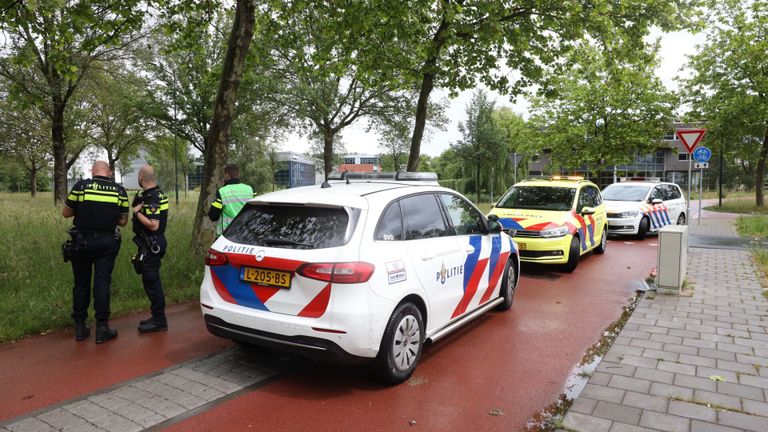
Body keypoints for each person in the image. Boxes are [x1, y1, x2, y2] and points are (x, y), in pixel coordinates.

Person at [62, 161, 128, 344]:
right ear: (110, 172)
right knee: (102, 283)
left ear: (92, 171)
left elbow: (66, 213)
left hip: (81, 242)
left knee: (81, 283)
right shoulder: (119, 191)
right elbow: (123, 221)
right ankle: (101, 328)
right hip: (107, 243)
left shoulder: (81, 187)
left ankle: (80, 328)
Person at [132, 165, 169, 333]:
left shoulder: (152, 197)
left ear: (141, 178)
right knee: (151, 281)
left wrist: (136, 213)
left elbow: (154, 225)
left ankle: (159, 321)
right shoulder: (157, 194)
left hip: (152, 244)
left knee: (152, 281)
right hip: (151, 243)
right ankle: (156, 316)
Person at [208, 164, 254, 236]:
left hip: (227, 236)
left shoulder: (222, 191)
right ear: (238, 174)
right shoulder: (249, 189)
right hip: (246, 235)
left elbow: (213, 216)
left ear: (227, 175)